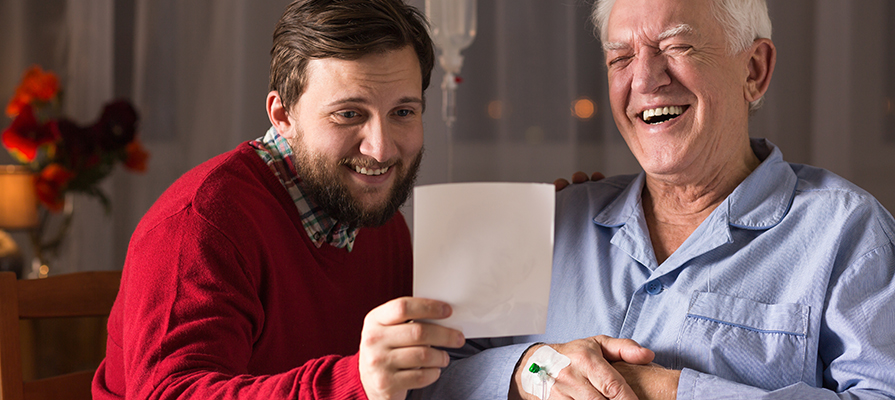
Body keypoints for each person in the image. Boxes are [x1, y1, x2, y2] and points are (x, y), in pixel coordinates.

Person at [418, 0, 895, 399]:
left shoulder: (849, 233)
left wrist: (665, 389)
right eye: (620, 57)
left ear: (754, 69)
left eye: (677, 46)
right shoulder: (551, 219)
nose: (645, 79)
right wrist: (531, 370)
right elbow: (429, 380)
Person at [91, 1, 466, 399]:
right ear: (283, 116)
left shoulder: (379, 220)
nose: (380, 149)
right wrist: (356, 383)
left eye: (403, 112)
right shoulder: (201, 224)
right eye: (349, 114)